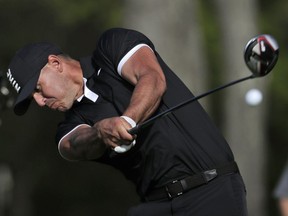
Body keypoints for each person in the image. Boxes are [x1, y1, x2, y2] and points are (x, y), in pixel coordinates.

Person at [7, 28, 248, 216]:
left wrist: (127, 119)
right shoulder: (68, 125)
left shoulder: (111, 47)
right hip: (156, 205)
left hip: (212, 188)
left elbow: (152, 78)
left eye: (38, 89)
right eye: (33, 98)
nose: (40, 101)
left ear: (55, 64)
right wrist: (101, 131)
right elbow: (76, 145)